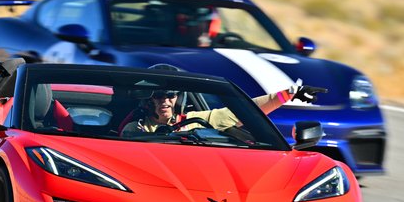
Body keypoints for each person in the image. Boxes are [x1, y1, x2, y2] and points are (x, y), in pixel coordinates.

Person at [121, 81, 325, 136]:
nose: (164, 100)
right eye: (158, 96)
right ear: (148, 101)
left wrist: (289, 93)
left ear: (177, 98)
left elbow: (244, 111)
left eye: (170, 95)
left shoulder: (194, 118)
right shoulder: (134, 128)